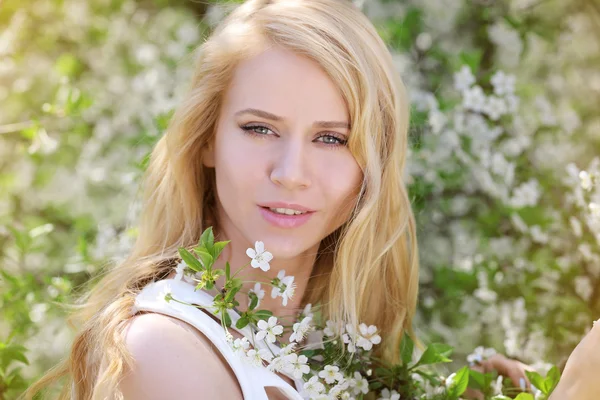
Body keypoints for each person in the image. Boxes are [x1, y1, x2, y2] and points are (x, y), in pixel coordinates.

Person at [25, 0, 535, 399]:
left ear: (371, 164)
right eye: (259, 128)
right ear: (207, 140)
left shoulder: (337, 346)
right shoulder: (160, 349)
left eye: (332, 138)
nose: (291, 174)